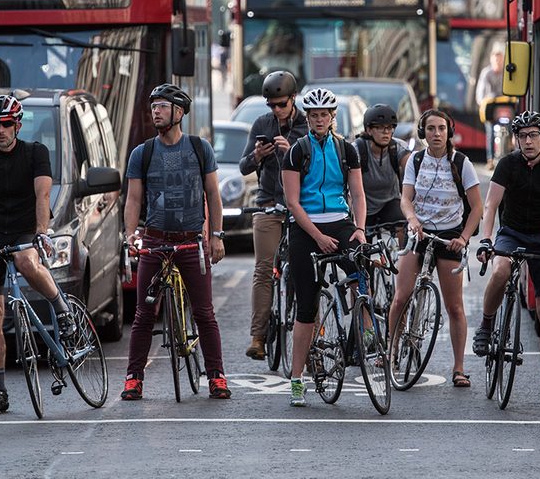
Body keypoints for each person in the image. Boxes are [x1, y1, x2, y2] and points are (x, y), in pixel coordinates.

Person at [122, 84, 230, 401]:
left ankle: (217, 377)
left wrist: (217, 236)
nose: (155, 111)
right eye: (153, 105)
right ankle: (133, 378)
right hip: (155, 241)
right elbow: (133, 200)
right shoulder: (142, 153)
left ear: (179, 112)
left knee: (204, 313)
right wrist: (130, 237)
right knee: (144, 314)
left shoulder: (199, 148)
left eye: (163, 106)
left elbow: (213, 194)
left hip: (191, 242)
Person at [0, 94, 72, 415]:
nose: (0, 131)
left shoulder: (35, 152)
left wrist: (42, 232)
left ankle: (61, 308)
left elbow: (43, 195)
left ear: (17, 125)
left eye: (6, 125)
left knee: (26, 260)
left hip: (27, 226)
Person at [473, 111, 540, 405]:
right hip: (512, 232)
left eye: (533, 135)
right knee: (500, 270)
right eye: (522, 136)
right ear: (516, 140)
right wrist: (487, 239)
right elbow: (491, 206)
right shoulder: (508, 164)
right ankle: (487, 326)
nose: (527, 141)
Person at [281, 87, 367, 408]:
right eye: (314, 115)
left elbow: (357, 195)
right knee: (305, 307)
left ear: (333, 117)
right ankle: (297, 379)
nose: (319, 119)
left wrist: (359, 229)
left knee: (362, 270)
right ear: (308, 118)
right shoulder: (296, 151)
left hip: (340, 220)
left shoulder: (348, 150)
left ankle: (368, 332)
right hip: (306, 227)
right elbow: (292, 202)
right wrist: (317, 236)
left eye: (324, 115)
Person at [391, 108, 481, 388]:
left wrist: (464, 238)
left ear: (449, 131)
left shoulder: (462, 162)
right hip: (418, 233)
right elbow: (406, 199)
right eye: (431, 129)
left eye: (441, 128)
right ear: (423, 133)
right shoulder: (415, 161)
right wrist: (413, 220)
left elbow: (477, 206)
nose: (436, 134)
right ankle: (391, 351)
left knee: (454, 307)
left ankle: (458, 368)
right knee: (400, 297)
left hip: (449, 236)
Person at [238, 70, 308, 360]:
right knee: (263, 270)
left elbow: (316, 168)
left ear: (293, 99)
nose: (276, 110)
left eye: (281, 104)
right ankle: (258, 337)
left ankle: (314, 331)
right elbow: (243, 167)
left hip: (300, 206)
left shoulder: (306, 125)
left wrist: (292, 150)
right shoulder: (262, 124)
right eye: (271, 105)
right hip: (267, 203)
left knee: (305, 271)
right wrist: (257, 155)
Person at [354, 104, 411, 232]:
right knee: (362, 242)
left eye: (389, 128)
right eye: (379, 128)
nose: (386, 132)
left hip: (390, 201)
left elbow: (413, 174)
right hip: (364, 205)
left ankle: (402, 252)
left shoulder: (398, 148)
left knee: (402, 223)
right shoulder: (357, 150)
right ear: (368, 130)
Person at [475, 43, 506, 168]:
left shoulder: (506, 73)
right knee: (490, 131)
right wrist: (485, 101)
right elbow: (480, 94)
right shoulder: (486, 73)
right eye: (496, 59)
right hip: (490, 108)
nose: (498, 62)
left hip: (505, 108)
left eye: (500, 59)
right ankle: (490, 159)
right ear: (492, 59)